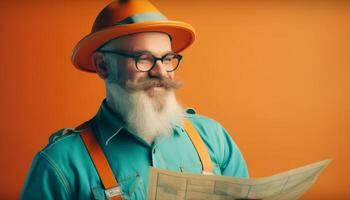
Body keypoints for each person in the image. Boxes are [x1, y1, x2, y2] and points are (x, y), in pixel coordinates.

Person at [21, 0, 248, 199]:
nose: (161, 72)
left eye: (167, 58)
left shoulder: (214, 138)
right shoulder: (60, 164)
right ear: (103, 65)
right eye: (144, 58)